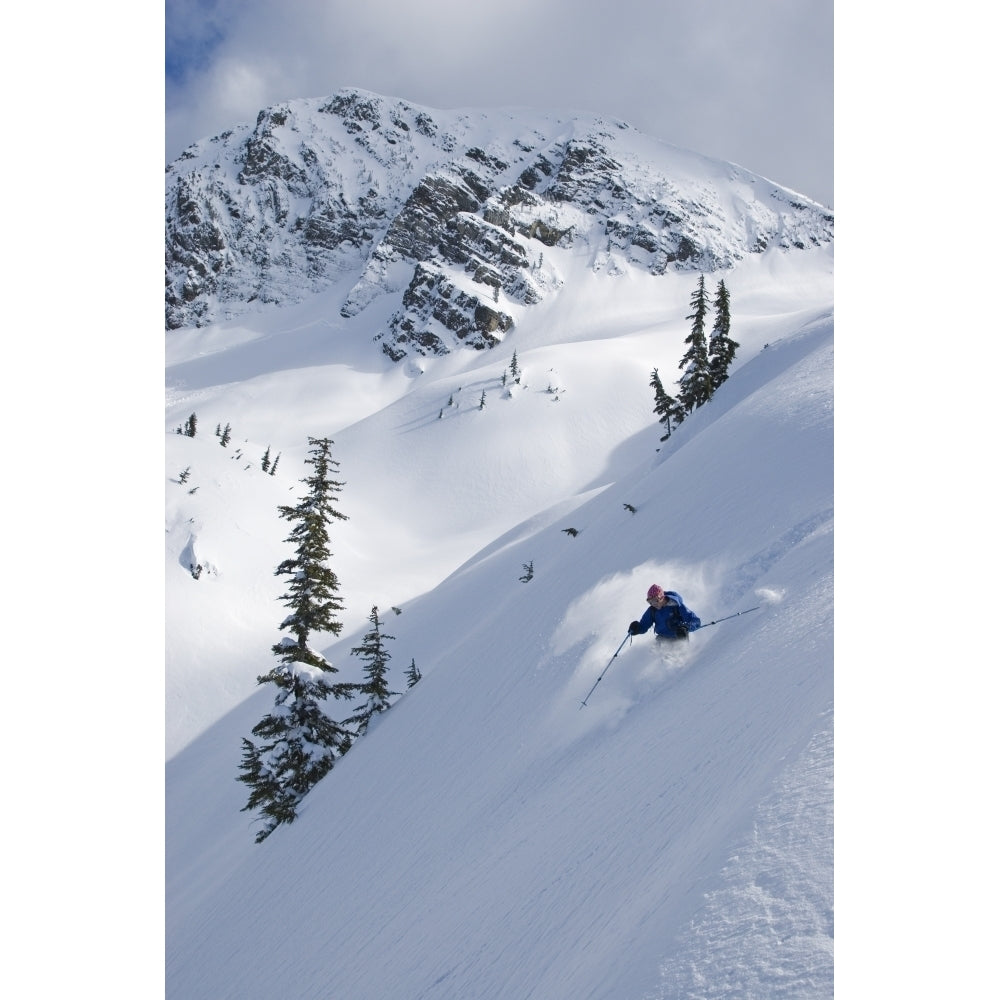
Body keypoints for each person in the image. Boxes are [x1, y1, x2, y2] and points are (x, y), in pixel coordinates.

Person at [628, 585, 701, 642]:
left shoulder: (677, 606)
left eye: (655, 600)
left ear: (662, 597)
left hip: (679, 637)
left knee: (678, 654)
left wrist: (686, 627)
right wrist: (636, 629)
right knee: (657, 653)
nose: (653, 604)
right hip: (662, 639)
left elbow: (695, 620)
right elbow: (643, 626)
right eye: (650, 602)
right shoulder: (652, 611)